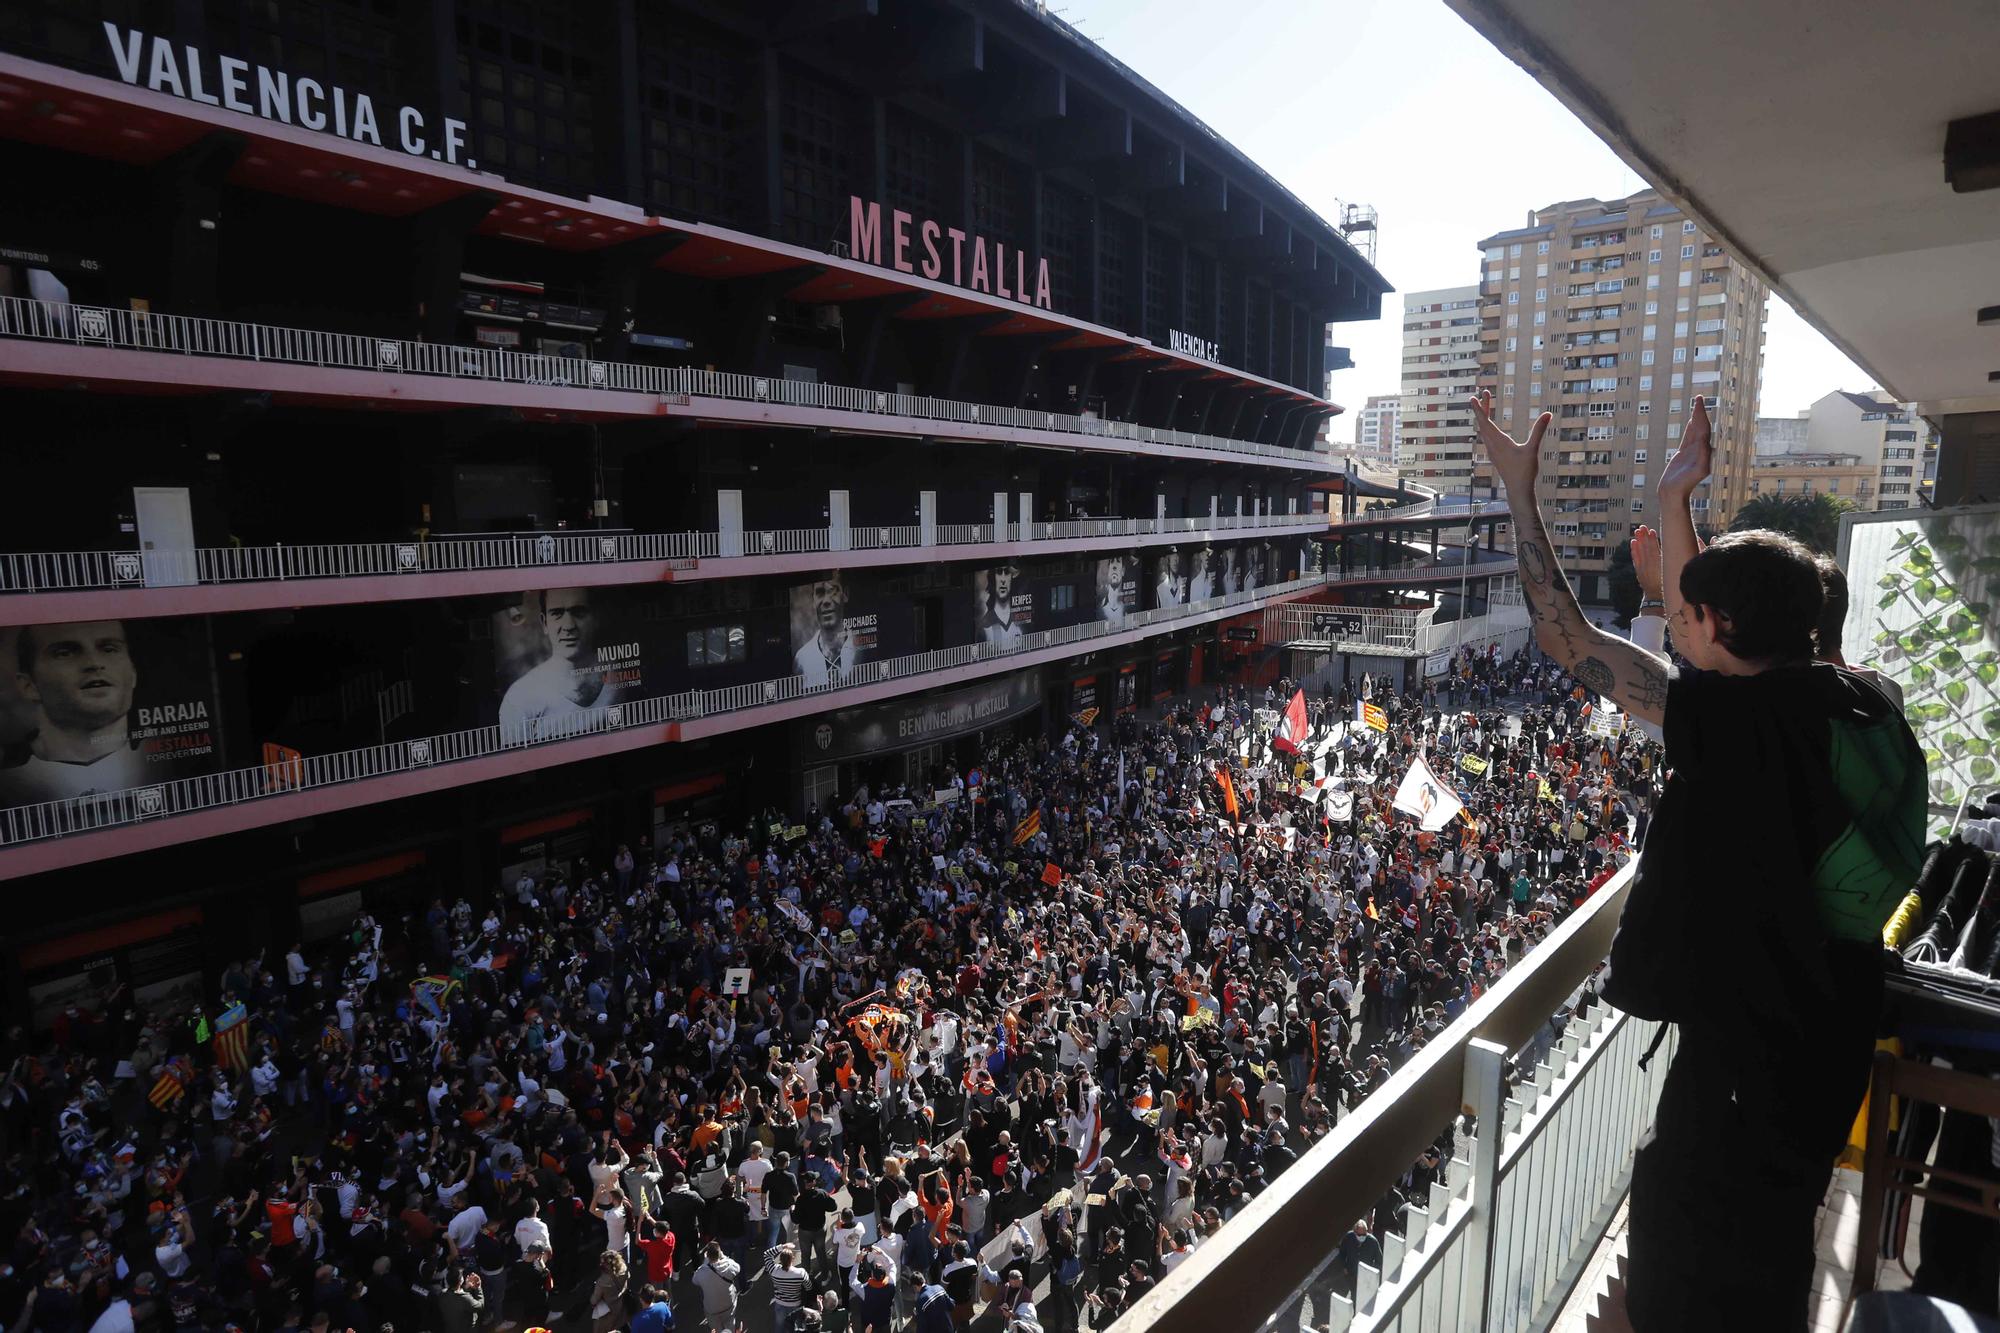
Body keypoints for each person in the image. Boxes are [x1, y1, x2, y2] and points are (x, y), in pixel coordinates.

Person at [1469, 388, 1925, 1332]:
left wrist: (1522, 493)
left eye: (1689, 613)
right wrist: (1677, 507)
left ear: (1715, 625)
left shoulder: (1734, 725)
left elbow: (1564, 636)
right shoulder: (1861, 700)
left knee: (1691, 1286)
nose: (1674, 622)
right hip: (1832, 1034)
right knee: (1769, 1268)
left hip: (1741, 1079)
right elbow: (1733, 625)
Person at [0, 621, 148, 802]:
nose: (94, 663)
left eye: (109, 649)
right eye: (65, 653)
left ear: (133, 674)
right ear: (29, 685)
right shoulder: (8, 776)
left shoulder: (171, 761)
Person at [497, 588, 624, 734]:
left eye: (579, 612)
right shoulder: (519, 696)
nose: (568, 626)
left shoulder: (618, 673)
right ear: (544, 623)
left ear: (595, 617)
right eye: (557, 614)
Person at [979, 565, 1026, 647]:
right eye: (999, 572)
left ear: (1012, 578)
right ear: (993, 578)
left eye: (1007, 572)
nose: (1003, 580)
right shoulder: (985, 625)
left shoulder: (1021, 622)